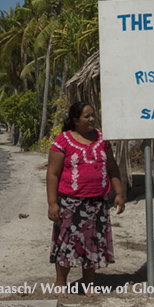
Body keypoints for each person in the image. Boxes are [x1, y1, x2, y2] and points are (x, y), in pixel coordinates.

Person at [47, 102, 125, 295]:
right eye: (86, 116)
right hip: (70, 203)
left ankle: (89, 284)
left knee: (93, 244)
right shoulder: (62, 141)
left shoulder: (102, 140)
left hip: (97, 202)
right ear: (75, 120)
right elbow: (53, 174)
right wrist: (52, 203)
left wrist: (119, 193)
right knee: (66, 243)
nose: (92, 119)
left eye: (93, 115)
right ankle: (60, 282)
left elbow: (113, 168)